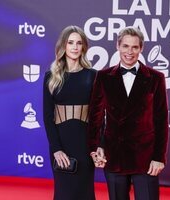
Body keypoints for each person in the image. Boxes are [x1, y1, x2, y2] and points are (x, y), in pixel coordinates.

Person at [88, 26, 169, 200]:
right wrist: (97, 147)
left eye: (134, 47)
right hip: (114, 156)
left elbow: (161, 120)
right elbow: (95, 118)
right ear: (117, 46)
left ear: (141, 48)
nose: (129, 52)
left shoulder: (156, 78)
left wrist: (158, 157)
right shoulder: (103, 76)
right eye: (125, 46)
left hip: (145, 158)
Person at [43, 25, 96, 200]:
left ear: (84, 47)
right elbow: (47, 116)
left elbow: (98, 115)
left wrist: (97, 146)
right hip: (61, 144)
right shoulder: (51, 76)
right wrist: (56, 149)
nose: (74, 47)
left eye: (78, 43)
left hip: (85, 144)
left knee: (84, 192)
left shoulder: (92, 75)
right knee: (64, 193)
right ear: (63, 46)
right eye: (70, 42)